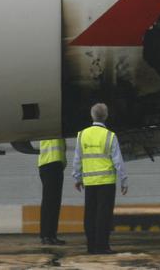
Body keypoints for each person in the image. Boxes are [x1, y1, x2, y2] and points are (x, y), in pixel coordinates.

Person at [72, 103, 128, 255]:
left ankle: (91, 246)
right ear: (106, 116)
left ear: (92, 116)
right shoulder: (110, 136)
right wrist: (124, 180)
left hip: (89, 182)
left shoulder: (82, 135)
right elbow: (118, 161)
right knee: (104, 215)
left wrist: (77, 177)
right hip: (107, 182)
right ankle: (102, 246)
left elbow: (77, 158)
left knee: (90, 214)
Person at [38, 138, 67, 245]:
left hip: (53, 165)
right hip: (50, 164)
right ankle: (46, 236)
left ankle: (51, 235)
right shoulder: (51, 129)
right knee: (49, 202)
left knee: (54, 203)